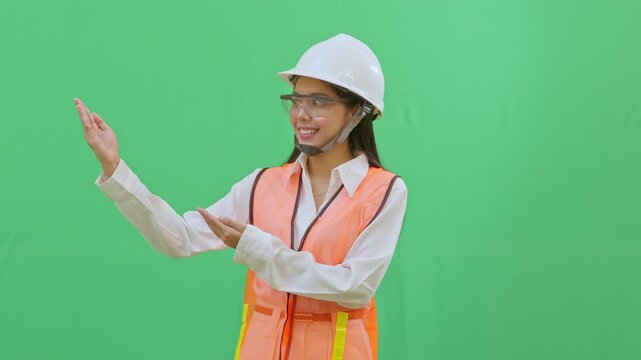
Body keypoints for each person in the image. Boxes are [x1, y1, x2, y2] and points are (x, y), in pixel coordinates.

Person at [74, 33, 407, 360]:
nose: (301, 114)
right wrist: (116, 170)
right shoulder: (263, 185)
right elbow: (181, 239)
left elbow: (355, 287)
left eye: (318, 102)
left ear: (358, 112)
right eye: (296, 101)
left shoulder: (383, 192)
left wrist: (257, 249)